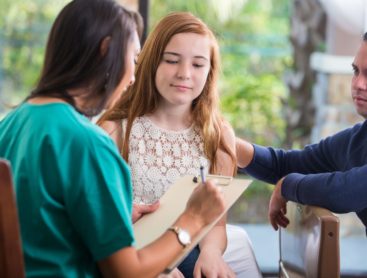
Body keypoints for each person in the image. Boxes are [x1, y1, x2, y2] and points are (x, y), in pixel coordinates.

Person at [0, 1, 226, 277]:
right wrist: (193, 220)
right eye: (133, 59)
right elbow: (127, 273)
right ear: (106, 50)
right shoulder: (89, 143)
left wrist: (114, 215)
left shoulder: (12, 123)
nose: (132, 77)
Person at [98, 12, 262, 278]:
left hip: (194, 248)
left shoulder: (218, 136)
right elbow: (101, 225)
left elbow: (216, 224)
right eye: (172, 60)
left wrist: (211, 254)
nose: (184, 74)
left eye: (198, 65)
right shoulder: (115, 132)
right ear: (151, 63)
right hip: (133, 256)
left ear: (209, 73)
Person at [236, 32, 367, 234]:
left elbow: (346, 191)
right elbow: (288, 165)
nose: (358, 84)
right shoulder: (357, 140)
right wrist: (228, 143)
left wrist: (287, 185)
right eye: (356, 71)